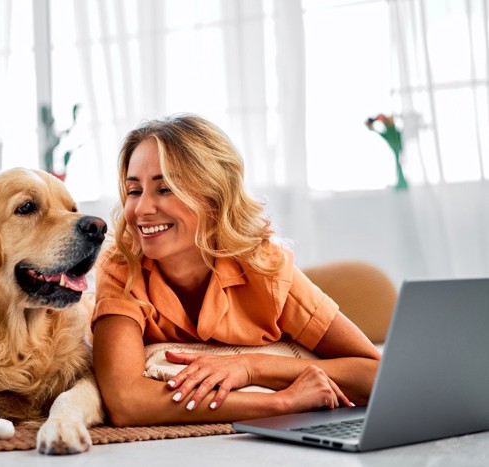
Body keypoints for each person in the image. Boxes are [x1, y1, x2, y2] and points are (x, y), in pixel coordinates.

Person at [91, 114, 381, 427]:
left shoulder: (266, 268)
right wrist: (279, 403)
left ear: (214, 198)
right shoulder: (123, 266)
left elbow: (377, 375)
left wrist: (251, 367)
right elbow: (125, 401)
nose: (142, 210)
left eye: (165, 189)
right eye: (134, 191)